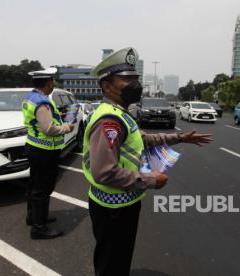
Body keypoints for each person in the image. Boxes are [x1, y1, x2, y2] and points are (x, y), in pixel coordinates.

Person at [83, 47, 212, 276]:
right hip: (114, 208)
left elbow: (142, 139)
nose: (135, 84)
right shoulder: (109, 120)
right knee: (111, 263)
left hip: (121, 203)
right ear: (106, 85)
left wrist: (179, 137)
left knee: (118, 258)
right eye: (126, 79)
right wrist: (151, 179)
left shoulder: (120, 112)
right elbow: (104, 172)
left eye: (135, 78)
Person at [22, 68, 74, 239]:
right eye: (52, 81)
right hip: (44, 151)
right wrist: (67, 127)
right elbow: (49, 130)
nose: (54, 84)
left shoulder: (31, 97)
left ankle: (34, 217)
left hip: (34, 147)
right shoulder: (42, 102)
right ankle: (39, 228)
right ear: (47, 83)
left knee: (34, 185)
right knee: (43, 189)